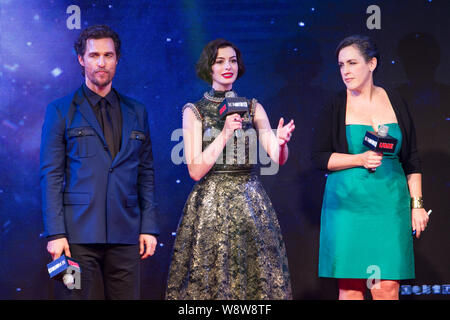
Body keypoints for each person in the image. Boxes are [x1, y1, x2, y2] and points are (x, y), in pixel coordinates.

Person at [166, 39, 295, 299]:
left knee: (253, 281)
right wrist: (224, 133)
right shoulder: (195, 111)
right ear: (209, 68)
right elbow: (195, 170)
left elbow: (277, 156)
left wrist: (280, 142)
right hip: (210, 205)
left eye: (233, 61)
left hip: (250, 202)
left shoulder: (253, 107)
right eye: (220, 61)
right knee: (212, 281)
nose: (228, 66)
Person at [40, 25, 158, 299]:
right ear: (81, 59)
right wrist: (55, 234)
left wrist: (149, 227)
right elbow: (51, 175)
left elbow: (146, 173)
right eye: (94, 55)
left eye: (108, 55)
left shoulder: (137, 111)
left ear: (117, 59)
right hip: (74, 240)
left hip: (126, 236)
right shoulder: (59, 110)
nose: (101, 62)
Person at [312, 35, 430, 300]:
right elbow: (318, 157)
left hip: (389, 205)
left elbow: (411, 158)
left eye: (352, 63)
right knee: (351, 287)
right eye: (341, 65)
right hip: (347, 206)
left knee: (386, 286)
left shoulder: (395, 101)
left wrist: (417, 204)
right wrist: (358, 159)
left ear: (372, 63)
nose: (346, 71)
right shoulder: (334, 104)